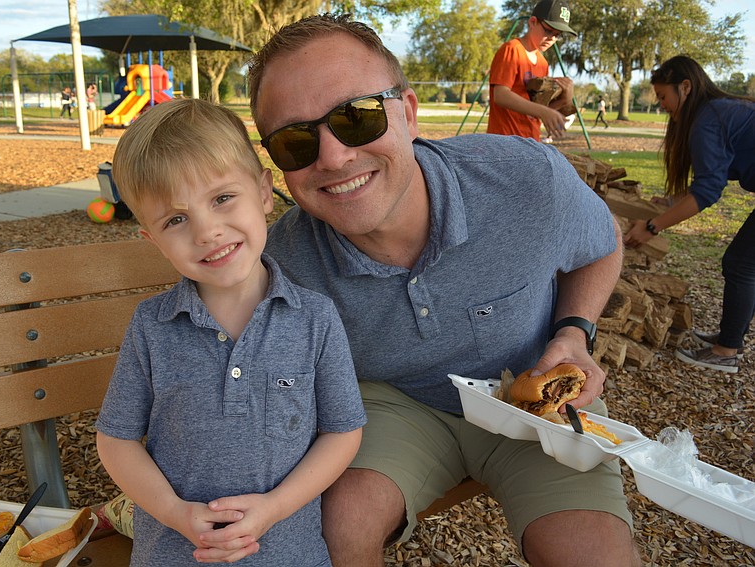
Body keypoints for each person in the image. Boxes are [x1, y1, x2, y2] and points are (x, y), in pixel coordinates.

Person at [248, 13, 640, 567]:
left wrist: (574, 334)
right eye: (295, 141)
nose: (334, 158)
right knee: (341, 525)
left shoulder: (526, 181)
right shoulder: (281, 263)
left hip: (531, 397)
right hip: (395, 403)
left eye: (356, 118)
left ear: (407, 113)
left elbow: (602, 246)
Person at [95, 98, 366, 566]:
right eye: (175, 220)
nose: (208, 231)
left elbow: (343, 432)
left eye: (222, 198)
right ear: (153, 240)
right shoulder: (152, 326)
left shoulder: (315, 319)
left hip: (289, 554)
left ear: (264, 193)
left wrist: (276, 507)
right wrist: (175, 513)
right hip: (175, 555)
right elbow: (116, 440)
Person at [624, 55, 755, 374]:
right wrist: (671, 201)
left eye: (662, 96)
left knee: (741, 264)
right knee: (744, 263)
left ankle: (726, 351)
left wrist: (652, 226)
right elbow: (713, 178)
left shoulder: (708, 118)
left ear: (685, 87)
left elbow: (708, 191)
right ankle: (730, 337)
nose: (661, 104)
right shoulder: (719, 111)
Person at [487, 0, 576, 142]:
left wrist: (565, 100)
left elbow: (536, 110)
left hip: (530, 141)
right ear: (532, 22)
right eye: (548, 30)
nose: (552, 38)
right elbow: (501, 95)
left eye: (557, 35)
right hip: (504, 142)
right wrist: (544, 111)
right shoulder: (512, 50)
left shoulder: (543, 63)